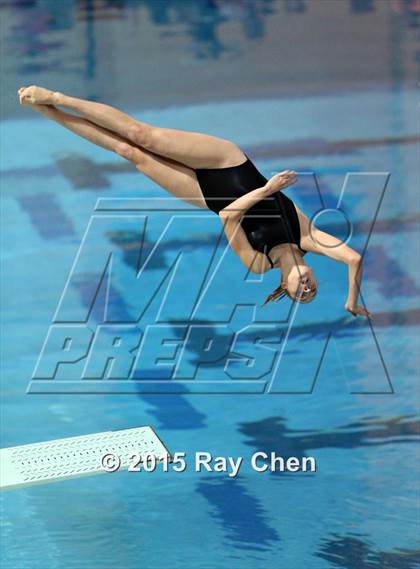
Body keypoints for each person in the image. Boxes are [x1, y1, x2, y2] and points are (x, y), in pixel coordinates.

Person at [18, 85, 371, 318]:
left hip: (209, 197)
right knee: (142, 135)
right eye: (312, 289)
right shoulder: (308, 237)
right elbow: (353, 259)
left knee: (129, 152)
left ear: (286, 287)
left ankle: (49, 113)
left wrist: (267, 191)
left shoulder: (259, 265)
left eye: (300, 294)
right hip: (228, 163)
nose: (307, 288)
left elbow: (230, 217)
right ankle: (58, 97)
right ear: (314, 278)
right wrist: (351, 301)